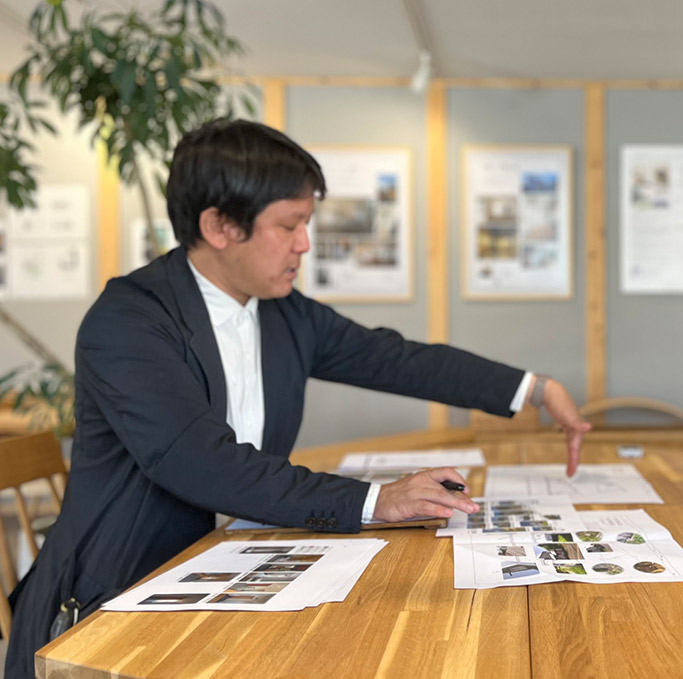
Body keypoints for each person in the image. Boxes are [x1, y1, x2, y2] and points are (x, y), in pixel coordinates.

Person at [4, 119, 591, 679]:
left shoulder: (280, 313)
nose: (304, 244)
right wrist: (376, 501)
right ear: (219, 227)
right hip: (115, 603)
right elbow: (201, 462)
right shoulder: (129, 320)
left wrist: (532, 388)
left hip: (234, 576)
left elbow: (392, 357)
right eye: (289, 225)